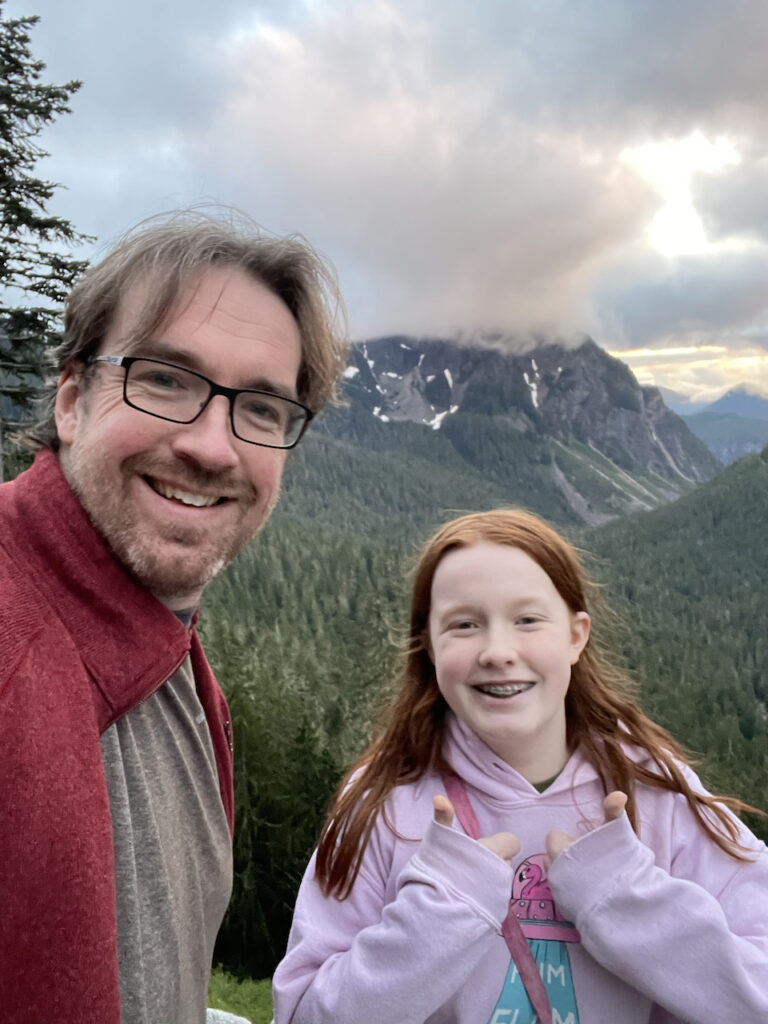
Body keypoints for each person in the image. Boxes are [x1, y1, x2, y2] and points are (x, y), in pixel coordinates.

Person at [0, 210, 347, 1024]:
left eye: (261, 409)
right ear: (74, 399)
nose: (213, 447)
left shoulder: (163, 646)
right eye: (165, 379)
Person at [272, 509, 768, 1024]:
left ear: (577, 636)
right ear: (429, 645)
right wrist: (440, 915)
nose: (497, 651)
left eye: (528, 620)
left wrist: (624, 901)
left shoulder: (657, 792)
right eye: (464, 625)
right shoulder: (383, 801)